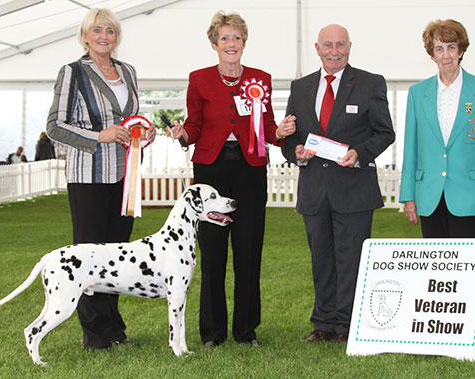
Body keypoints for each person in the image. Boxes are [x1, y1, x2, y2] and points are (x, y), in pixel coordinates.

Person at [167, 11, 296, 347]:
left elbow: (266, 126)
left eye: (236, 38)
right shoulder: (199, 79)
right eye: (224, 38)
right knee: (212, 253)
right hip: (210, 171)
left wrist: (279, 132)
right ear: (214, 43)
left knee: (249, 251)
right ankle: (212, 332)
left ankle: (245, 330)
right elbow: (193, 127)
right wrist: (182, 133)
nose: (231, 44)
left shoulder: (260, 79)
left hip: (251, 169)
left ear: (244, 43)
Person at [46, 8, 156, 350]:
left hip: (125, 174)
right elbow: (55, 126)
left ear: (117, 37)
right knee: (90, 256)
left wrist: (144, 134)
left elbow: (131, 118)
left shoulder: (128, 72)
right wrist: (99, 136)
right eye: (97, 31)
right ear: (85, 37)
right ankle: (96, 336)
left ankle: (115, 332)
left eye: (109, 30)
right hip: (88, 176)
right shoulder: (72, 73)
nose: (104, 36)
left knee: (118, 256)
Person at [281, 24, 395, 343]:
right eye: (328, 45)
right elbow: (290, 139)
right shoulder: (300, 87)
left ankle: (349, 325)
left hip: (354, 188)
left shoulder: (371, 83)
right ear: (317, 48)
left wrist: (359, 153)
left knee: (352, 261)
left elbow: (385, 132)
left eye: (340, 45)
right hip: (315, 190)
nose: (335, 51)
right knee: (321, 259)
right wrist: (297, 153)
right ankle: (323, 324)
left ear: (350, 46)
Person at [400, 20, 475, 237]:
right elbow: (411, 148)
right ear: (431, 55)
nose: (446, 55)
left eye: (451, 47)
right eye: (439, 49)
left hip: (469, 195)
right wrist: (408, 196)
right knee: (435, 267)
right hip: (429, 196)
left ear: (461, 51)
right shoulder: (417, 93)